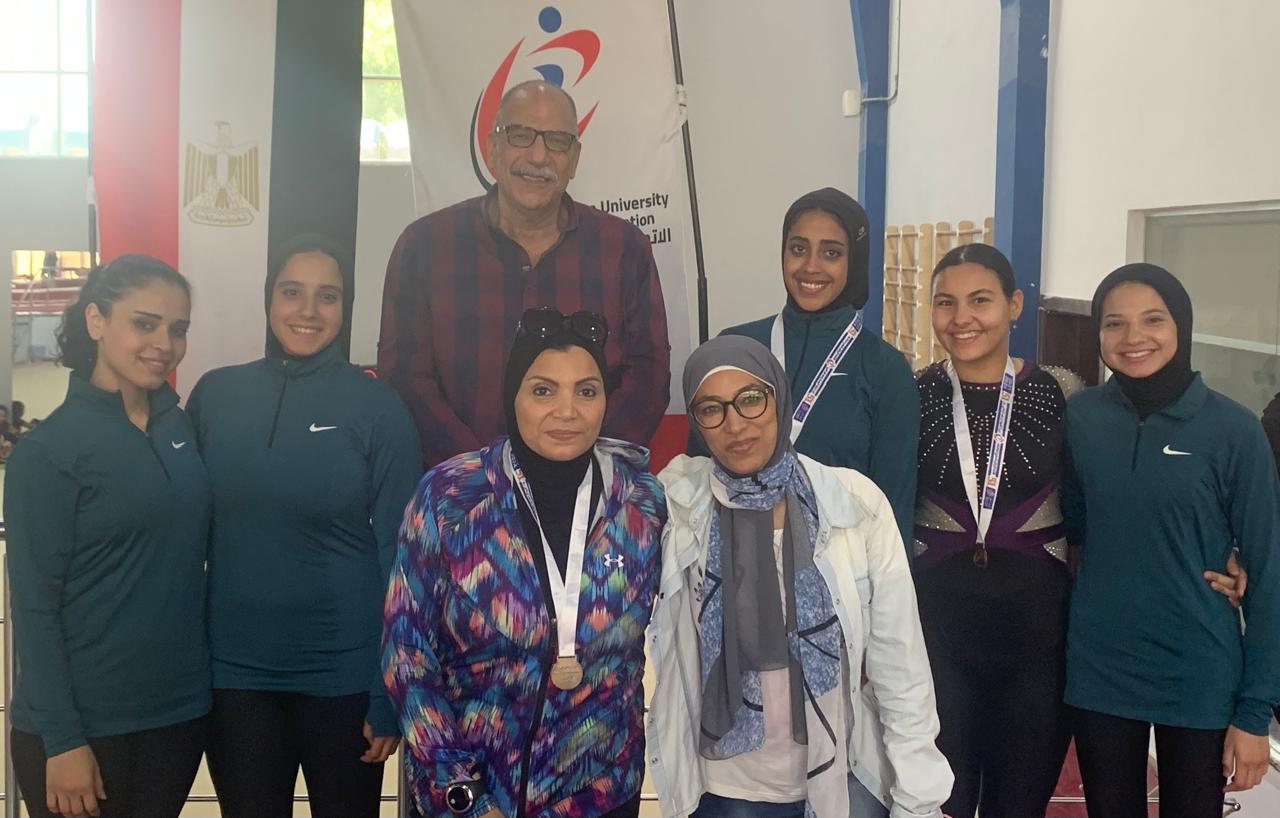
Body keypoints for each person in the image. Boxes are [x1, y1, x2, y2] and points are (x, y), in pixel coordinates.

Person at [649, 335, 952, 818]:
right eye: (711, 409)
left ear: (779, 398)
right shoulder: (680, 507)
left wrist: (919, 795)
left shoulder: (853, 504)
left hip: (839, 774)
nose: (735, 424)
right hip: (726, 787)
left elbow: (901, 661)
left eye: (751, 399)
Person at [383, 308, 665, 818]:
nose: (567, 410)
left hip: (598, 798)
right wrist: (463, 792)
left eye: (586, 390)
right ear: (513, 397)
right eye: (543, 390)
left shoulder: (642, 503)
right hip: (468, 798)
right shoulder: (451, 498)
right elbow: (407, 654)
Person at [186, 236, 422, 818]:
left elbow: (403, 559)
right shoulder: (215, 395)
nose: (308, 311)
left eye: (328, 296)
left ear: (345, 308)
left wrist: (388, 691)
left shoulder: (379, 408)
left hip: (344, 678)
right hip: (235, 677)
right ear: (269, 299)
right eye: (292, 292)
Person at [1062, 263, 1280, 817]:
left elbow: (1269, 575)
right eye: (1115, 323)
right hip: (1100, 669)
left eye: (1153, 319)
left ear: (1181, 324)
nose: (1133, 337)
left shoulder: (1233, 429)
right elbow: (1074, 529)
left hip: (1198, 672)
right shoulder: (1081, 418)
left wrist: (1255, 714)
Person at [5, 256, 210, 818]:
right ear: (96, 321)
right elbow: (35, 607)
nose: (164, 344)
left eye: (178, 329)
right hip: (82, 730)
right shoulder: (47, 453)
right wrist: (62, 740)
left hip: (176, 718)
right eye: (144, 324)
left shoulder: (179, 428)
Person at [378, 79, 671, 468]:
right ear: (492, 149)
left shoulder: (624, 249)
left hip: (590, 487)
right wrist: (481, 471)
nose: (538, 156)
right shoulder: (425, 246)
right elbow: (405, 377)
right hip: (460, 487)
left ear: (574, 159)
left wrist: (580, 470)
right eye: (520, 135)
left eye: (557, 141)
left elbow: (648, 376)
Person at [913, 243, 1081, 817]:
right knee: (943, 801)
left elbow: (1109, 497)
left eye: (980, 300)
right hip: (937, 638)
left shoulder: (1062, 391)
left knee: (1018, 805)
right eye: (946, 302)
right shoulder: (912, 394)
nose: (962, 318)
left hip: (1038, 642)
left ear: (1014, 305)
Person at [717, 188, 919, 550]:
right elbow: (701, 472)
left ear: (854, 261)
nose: (810, 266)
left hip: (840, 568)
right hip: (738, 559)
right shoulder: (737, 348)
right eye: (798, 248)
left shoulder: (884, 369)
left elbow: (893, 511)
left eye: (831, 253)